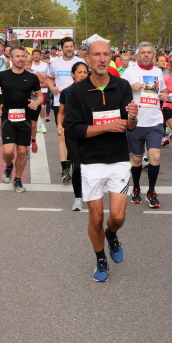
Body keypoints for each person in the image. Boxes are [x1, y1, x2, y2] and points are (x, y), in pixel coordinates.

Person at [64, 39, 138, 282]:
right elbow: (72, 129)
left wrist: (133, 118)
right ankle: (100, 259)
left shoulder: (122, 85)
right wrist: (107, 126)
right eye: (97, 55)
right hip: (90, 161)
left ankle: (112, 234)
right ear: (88, 58)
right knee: (95, 217)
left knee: (117, 217)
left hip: (118, 160)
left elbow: (129, 125)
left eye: (106, 54)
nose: (102, 59)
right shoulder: (77, 91)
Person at [0, 46, 43, 192]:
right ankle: (8, 166)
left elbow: (40, 95)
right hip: (8, 117)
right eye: (17, 56)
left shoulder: (31, 77)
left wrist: (37, 102)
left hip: (25, 117)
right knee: (8, 151)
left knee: (22, 151)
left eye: (23, 56)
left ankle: (18, 180)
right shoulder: (2, 76)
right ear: (11, 58)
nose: (21, 59)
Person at [122, 42, 167, 208]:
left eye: (149, 52)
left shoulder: (158, 72)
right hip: (136, 122)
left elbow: (164, 90)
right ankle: (136, 188)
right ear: (138, 55)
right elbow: (119, 92)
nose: (146, 55)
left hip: (155, 122)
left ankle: (151, 191)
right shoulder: (130, 71)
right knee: (137, 159)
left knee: (155, 157)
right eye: (143, 52)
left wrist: (164, 95)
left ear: (153, 55)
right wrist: (130, 86)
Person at [47, 37, 85, 182]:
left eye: (71, 46)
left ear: (74, 47)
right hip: (60, 103)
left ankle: (74, 164)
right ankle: (65, 169)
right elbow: (50, 78)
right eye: (66, 46)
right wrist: (52, 87)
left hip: (79, 104)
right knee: (62, 135)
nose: (69, 49)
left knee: (75, 137)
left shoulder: (80, 63)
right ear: (61, 48)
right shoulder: (55, 64)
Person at [57, 62, 90, 211]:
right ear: (73, 74)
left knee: (89, 166)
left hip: (90, 131)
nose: (82, 75)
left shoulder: (93, 91)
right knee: (77, 167)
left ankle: (91, 194)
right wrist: (59, 125)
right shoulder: (66, 92)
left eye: (85, 72)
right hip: (72, 132)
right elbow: (61, 112)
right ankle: (78, 198)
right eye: (79, 72)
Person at [30, 49, 50, 134]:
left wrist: (44, 76)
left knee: (42, 106)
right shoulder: (30, 65)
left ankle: (42, 123)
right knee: (34, 106)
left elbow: (49, 75)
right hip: (31, 91)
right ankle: (36, 123)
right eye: (34, 54)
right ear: (32, 56)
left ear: (40, 56)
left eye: (38, 54)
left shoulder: (45, 65)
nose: (36, 56)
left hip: (43, 89)